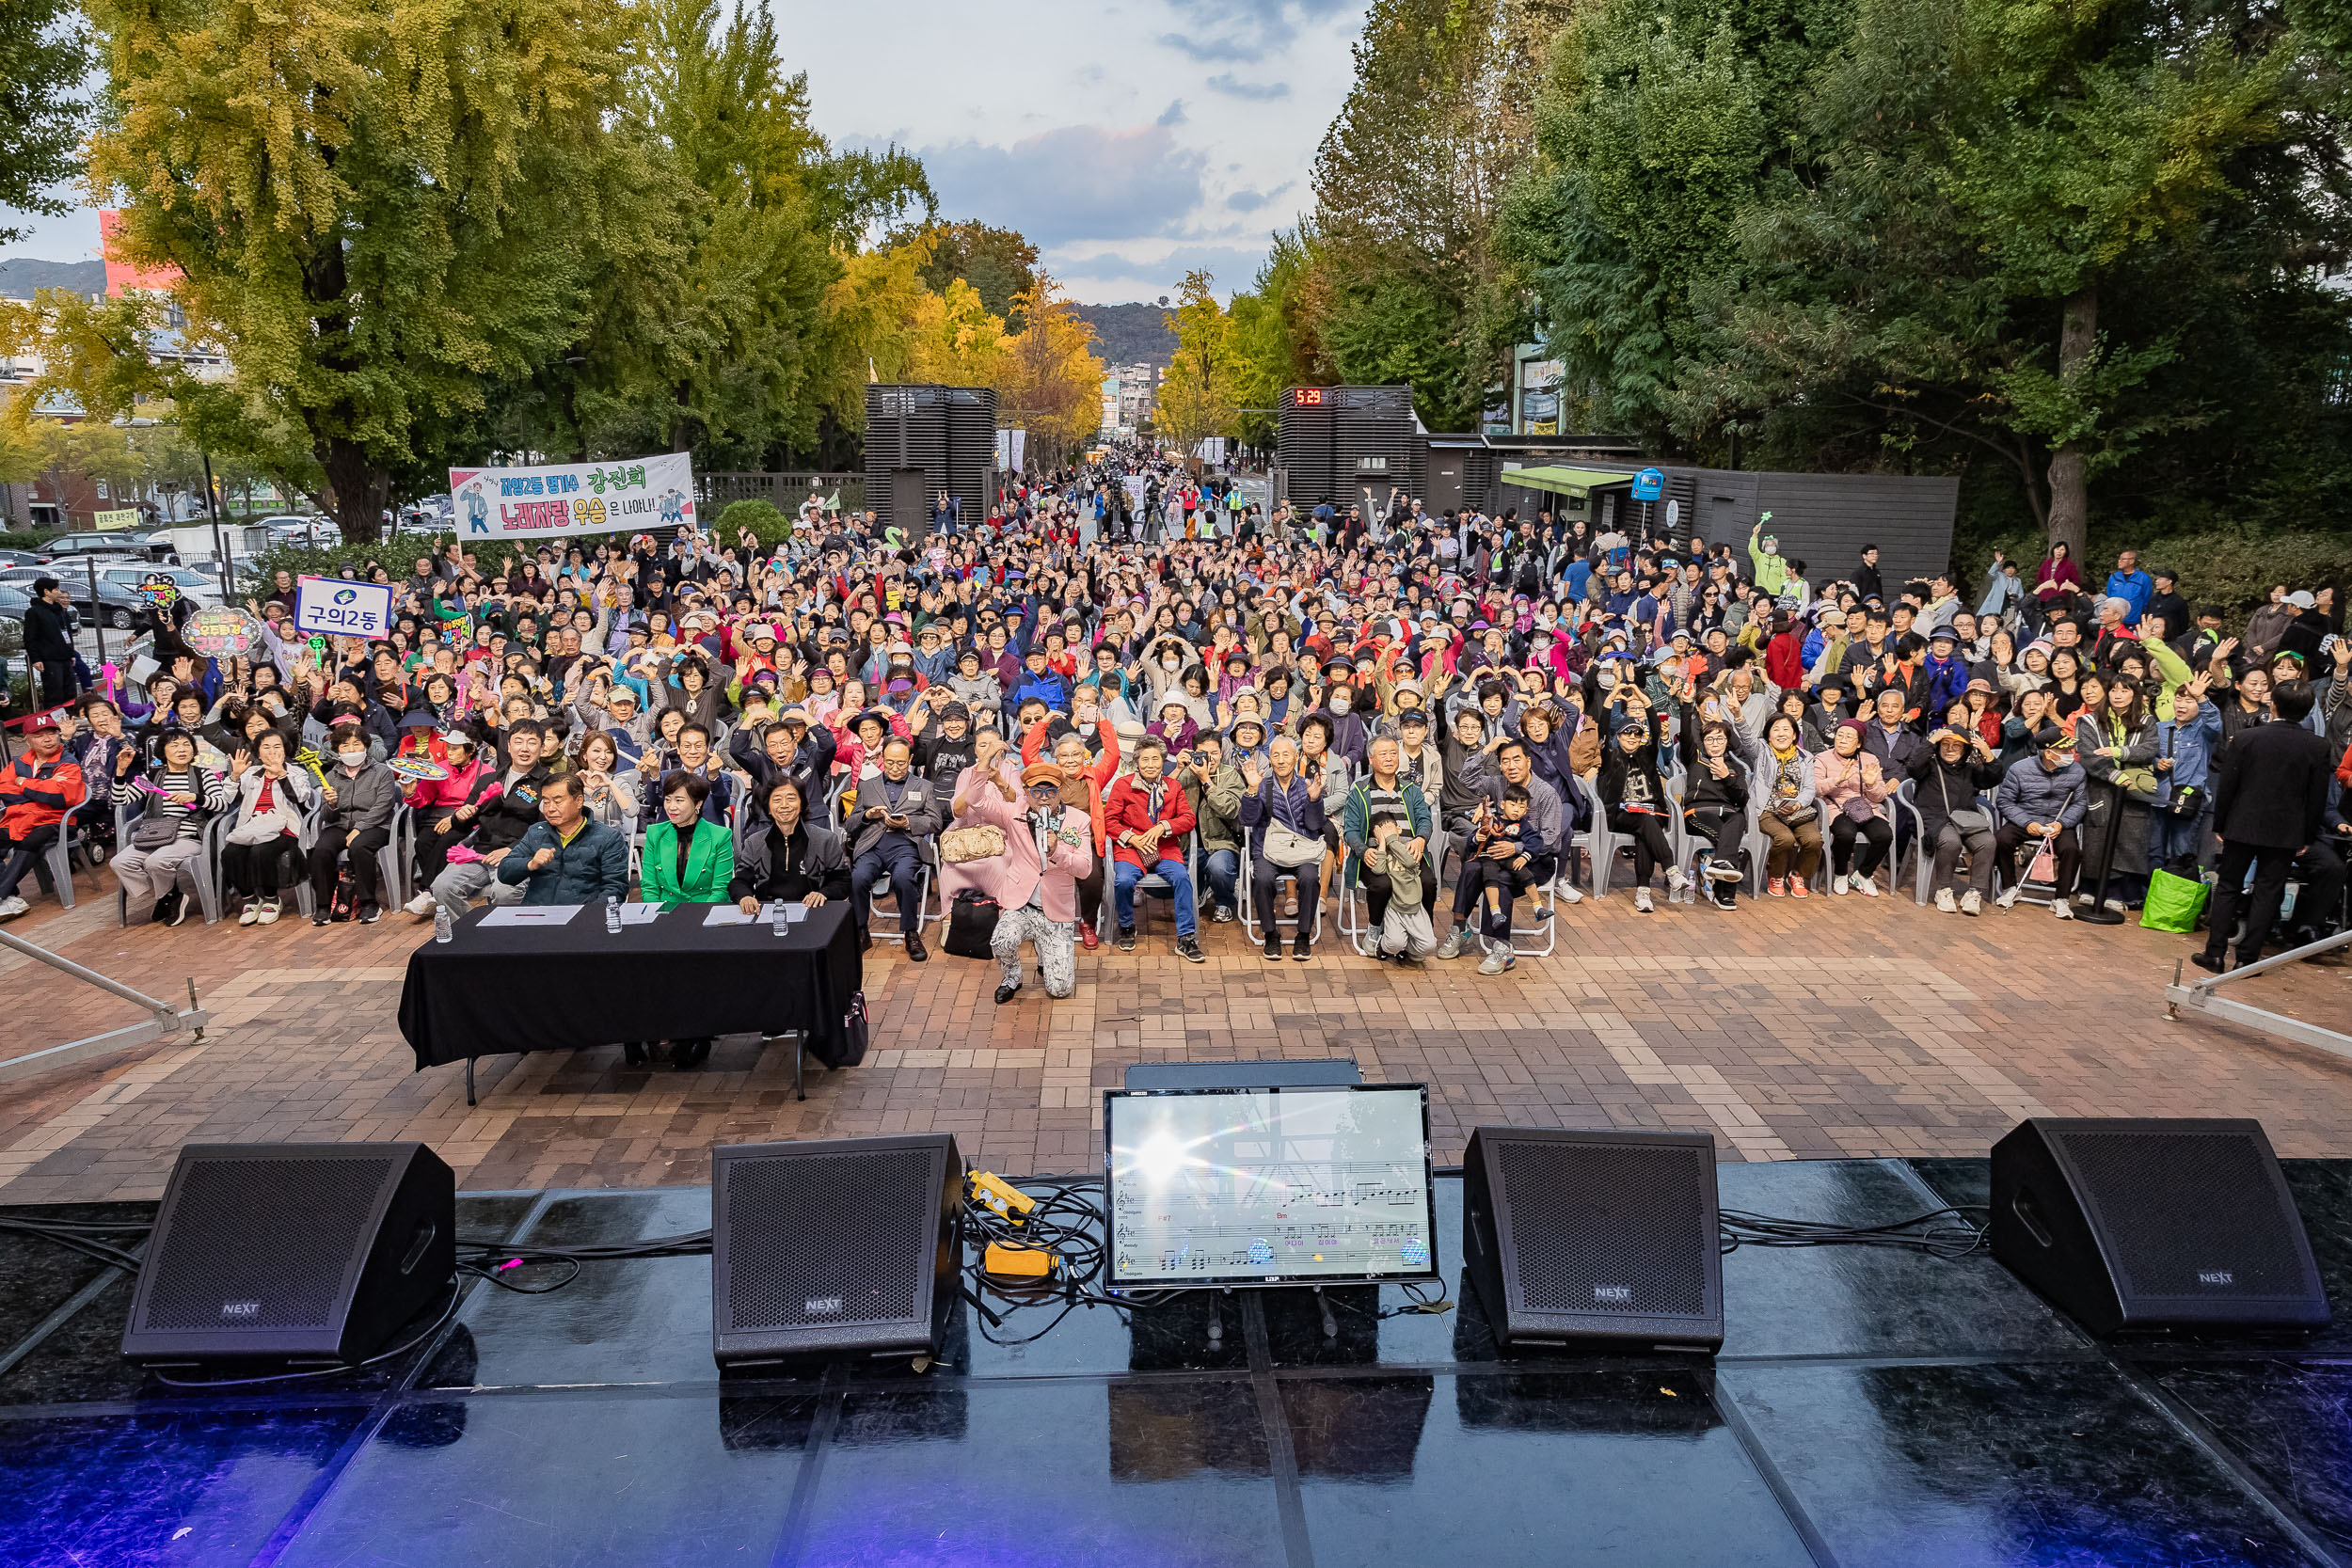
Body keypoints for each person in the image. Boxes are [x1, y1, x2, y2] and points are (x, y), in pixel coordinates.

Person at [2196, 681, 2335, 973]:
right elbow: (2316, 797)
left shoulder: (2246, 738)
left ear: (2273, 705)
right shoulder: (2318, 745)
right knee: (2269, 892)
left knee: (2229, 888)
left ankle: (2215, 954)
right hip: (2286, 832)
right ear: (2309, 710)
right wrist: (2307, 836)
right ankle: (2248, 959)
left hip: (2242, 824)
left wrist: (2220, 824)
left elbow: (2228, 787)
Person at [965, 761, 1094, 1002]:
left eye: (1050, 791)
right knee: (1002, 940)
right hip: (1021, 904)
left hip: (1055, 909)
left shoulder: (1078, 820)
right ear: (1027, 793)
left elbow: (1085, 869)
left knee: (1060, 989)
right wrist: (984, 763)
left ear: (1060, 792)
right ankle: (1012, 977)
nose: (1043, 798)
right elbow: (974, 799)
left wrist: (1058, 850)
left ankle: (1045, 952)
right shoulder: (1014, 812)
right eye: (1036, 792)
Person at [111, 728, 229, 927]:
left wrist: (195, 797)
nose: (181, 749)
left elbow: (222, 804)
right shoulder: (153, 776)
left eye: (186, 744)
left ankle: (166, 896)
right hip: (153, 835)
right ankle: (170, 895)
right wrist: (121, 772)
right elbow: (121, 799)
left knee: (156, 862)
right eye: (174, 745)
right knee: (119, 862)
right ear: (162, 752)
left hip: (188, 838)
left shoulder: (204, 775)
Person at [1104, 737, 1205, 961]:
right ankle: (1127, 925)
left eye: (1155, 759)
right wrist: (1132, 838)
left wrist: (1164, 826)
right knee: (1123, 881)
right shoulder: (1123, 785)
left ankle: (1186, 937)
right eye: (1145, 759)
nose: (1150, 764)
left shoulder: (1174, 786)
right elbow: (1109, 820)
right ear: (1137, 762)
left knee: (1182, 877)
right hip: (1132, 848)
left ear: (1162, 761)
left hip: (1165, 848)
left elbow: (1188, 819)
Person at [846, 736, 939, 959]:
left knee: (903, 878)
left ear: (911, 760)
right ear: (881, 759)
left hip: (906, 844)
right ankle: (860, 929)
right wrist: (868, 815)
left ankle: (910, 932)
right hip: (873, 844)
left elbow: (935, 821)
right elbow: (850, 824)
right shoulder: (867, 786)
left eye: (901, 763)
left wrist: (909, 822)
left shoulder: (924, 786)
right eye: (890, 762)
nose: (895, 768)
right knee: (858, 878)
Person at [1239, 732, 1325, 960]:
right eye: (1275, 755)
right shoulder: (1263, 785)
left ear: (1296, 758)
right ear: (1270, 760)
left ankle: (1303, 935)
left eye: (1286, 755)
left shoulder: (1306, 785)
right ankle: (1271, 934)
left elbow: (1315, 825)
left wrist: (1315, 800)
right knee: (1263, 878)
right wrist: (1251, 791)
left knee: (1309, 877)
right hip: (1268, 849)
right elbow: (1247, 820)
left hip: (1302, 849)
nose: (1281, 760)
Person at [219, 730, 315, 925]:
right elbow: (227, 800)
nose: (272, 751)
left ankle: (271, 898)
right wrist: (235, 776)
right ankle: (250, 899)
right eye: (266, 747)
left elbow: (300, 797)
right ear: (258, 752)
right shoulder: (250, 773)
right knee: (230, 853)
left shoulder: (297, 772)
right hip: (252, 826)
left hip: (284, 828)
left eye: (277, 746)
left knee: (260, 851)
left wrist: (282, 775)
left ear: (285, 749)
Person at [308, 721, 401, 923]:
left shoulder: (381, 772)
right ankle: (323, 906)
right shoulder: (331, 776)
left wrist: (359, 828)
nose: (351, 749)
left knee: (359, 848)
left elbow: (384, 805)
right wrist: (330, 805)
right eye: (345, 745)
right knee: (321, 850)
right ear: (337, 750)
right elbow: (327, 816)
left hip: (374, 825)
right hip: (339, 824)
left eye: (356, 744)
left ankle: (369, 904)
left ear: (366, 745)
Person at [0, 711, 88, 919]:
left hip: (58, 822)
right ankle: (9, 897)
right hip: (22, 819)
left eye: (52, 733)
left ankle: (1, 895)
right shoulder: (19, 762)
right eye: (39, 735)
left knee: (30, 842)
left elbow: (60, 796)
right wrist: (41, 789)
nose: (48, 739)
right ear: (28, 740)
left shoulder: (68, 761)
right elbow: (5, 790)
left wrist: (23, 782)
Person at [494, 771, 628, 906]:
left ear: (579, 801)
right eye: (546, 802)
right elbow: (504, 873)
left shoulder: (608, 837)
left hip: (582, 916)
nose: (550, 809)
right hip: (537, 915)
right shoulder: (536, 832)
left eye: (557, 801)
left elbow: (615, 888)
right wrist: (530, 864)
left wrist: (589, 917)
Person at [1910, 722, 2004, 913]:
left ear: (1965, 749)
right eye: (1945, 744)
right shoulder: (1929, 765)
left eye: (1956, 745)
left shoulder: (1970, 769)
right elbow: (1912, 767)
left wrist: (1988, 753)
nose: (1950, 749)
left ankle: (1974, 892)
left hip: (1965, 819)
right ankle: (1943, 889)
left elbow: (1992, 779)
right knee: (1950, 841)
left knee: (1987, 842)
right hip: (1935, 818)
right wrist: (1931, 742)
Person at [1994, 726, 2088, 914]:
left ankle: (2061, 898)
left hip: (2059, 823)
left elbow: (2080, 804)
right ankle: (2010, 887)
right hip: (2026, 819)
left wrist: (2062, 823)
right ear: (2048, 753)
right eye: (2064, 750)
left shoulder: (2077, 771)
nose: (2070, 754)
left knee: (2072, 850)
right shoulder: (2019, 769)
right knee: (2001, 839)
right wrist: (2027, 823)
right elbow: (2004, 801)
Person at [732, 777, 850, 913]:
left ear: (802, 804)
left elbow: (842, 881)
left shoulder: (825, 839)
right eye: (777, 800)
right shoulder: (754, 842)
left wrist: (824, 893)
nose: (784, 805)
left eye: (791, 798)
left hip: (813, 910)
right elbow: (740, 881)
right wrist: (744, 896)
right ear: (769, 809)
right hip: (769, 912)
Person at [1814, 719, 1893, 896]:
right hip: (1836, 808)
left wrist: (1872, 784)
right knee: (1845, 834)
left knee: (1884, 834)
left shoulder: (1870, 759)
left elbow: (1880, 796)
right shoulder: (1823, 758)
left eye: (1849, 737)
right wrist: (1837, 780)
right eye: (1840, 735)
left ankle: (1863, 874)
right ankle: (1841, 873)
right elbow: (1815, 789)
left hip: (1866, 807)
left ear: (1858, 743)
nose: (1842, 740)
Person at [641, 770, 736, 905]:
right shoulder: (655, 833)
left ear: (698, 804)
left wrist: (696, 919)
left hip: (704, 910)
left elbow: (720, 891)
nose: (671, 807)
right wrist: (656, 915)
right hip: (664, 911)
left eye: (679, 800)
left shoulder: (720, 836)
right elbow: (650, 888)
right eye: (667, 800)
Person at [1756, 713, 1823, 896]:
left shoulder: (1806, 757)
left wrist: (1797, 804)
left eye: (1786, 729)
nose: (1781, 734)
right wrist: (1738, 715)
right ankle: (1776, 876)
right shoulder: (1762, 752)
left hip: (1795, 811)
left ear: (1794, 735)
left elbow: (1810, 789)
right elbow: (1746, 738)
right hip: (1768, 810)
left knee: (1814, 840)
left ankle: (1797, 874)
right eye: (1775, 729)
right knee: (1785, 839)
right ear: (1768, 735)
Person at [1363, 812, 1437, 962]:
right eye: (1385, 835)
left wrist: (1390, 840)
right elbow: (1378, 870)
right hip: (1395, 907)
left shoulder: (1407, 848)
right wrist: (1383, 844)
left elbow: (1411, 862)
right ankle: (1383, 946)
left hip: (1416, 908)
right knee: (1393, 944)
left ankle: (1407, 948)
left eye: (1391, 831)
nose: (1389, 836)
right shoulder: (1382, 852)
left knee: (1429, 946)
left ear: (1399, 829)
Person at [24, 578, 77, 708]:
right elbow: (29, 638)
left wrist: (71, 653)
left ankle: (71, 719)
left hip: (65, 657)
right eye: (56, 589)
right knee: (55, 692)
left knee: (70, 691)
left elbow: (68, 633)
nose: (59, 592)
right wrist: (35, 659)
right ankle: (54, 721)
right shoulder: (34, 612)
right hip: (50, 659)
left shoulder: (60, 610)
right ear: (46, 592)